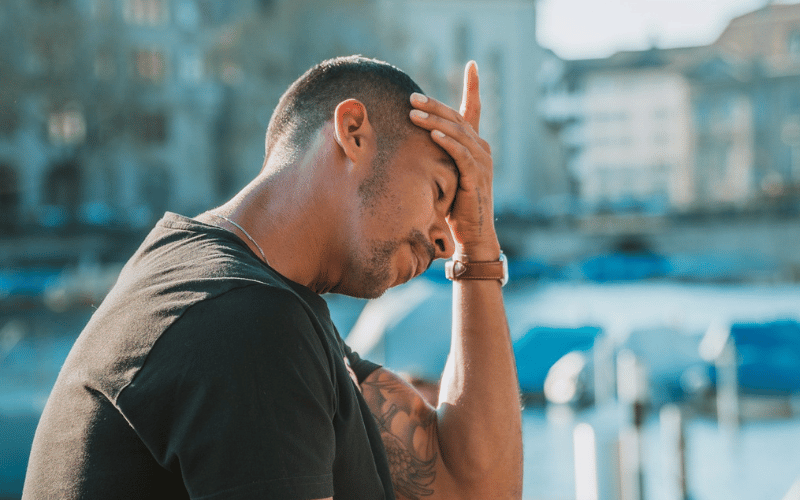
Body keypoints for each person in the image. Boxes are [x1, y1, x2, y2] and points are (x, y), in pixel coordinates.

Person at [23, 55, 522, 500]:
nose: (445, 241)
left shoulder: (235, 296)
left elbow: (471, 487)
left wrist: (478, 246)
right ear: (353, 131)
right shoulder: (243, 321)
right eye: (439, 192)